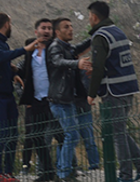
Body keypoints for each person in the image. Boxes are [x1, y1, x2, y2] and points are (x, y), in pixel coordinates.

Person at [86, 1, 140, 182]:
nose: (88, 19)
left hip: (113, 90)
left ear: (94, 16)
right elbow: (114, 61)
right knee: (120, 130)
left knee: (118, 134)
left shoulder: (100, 36)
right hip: (127, 88)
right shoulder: (118, 32)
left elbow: (98, 67)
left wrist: (91, 93)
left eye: (89, 16)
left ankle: (125, 176)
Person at [0, 12, 42, 182]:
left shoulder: (2, 43)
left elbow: (0, 63)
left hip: (6, 94)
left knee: (13, 134)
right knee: (1, 134)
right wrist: (24, 50)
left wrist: (11, 72)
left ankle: (8, 172)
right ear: (7, 24)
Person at [46, 18, 95, 182]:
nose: (71, 29)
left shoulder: (67, 47)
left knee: (70, 136)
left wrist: (95, 33)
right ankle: (63, 174)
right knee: (71, 135)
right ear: (57, 32)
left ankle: (64, 172)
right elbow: (58, 61)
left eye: (71, 26)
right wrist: (77, 63)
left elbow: (80, 47)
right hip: (59, 100)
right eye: (66, 27)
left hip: (67, 100)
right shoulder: (55, 47)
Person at [16, 18, 58, 182]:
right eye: (43, 28)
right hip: (36, 101)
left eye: (49, 28)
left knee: (62, 136)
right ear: (36, 32)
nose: (47, 31)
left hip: (54, 99)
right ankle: (47, 172)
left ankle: (67, 171)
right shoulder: (30, 52)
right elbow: (23, 73)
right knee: (36, 136)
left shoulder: (55, 49)